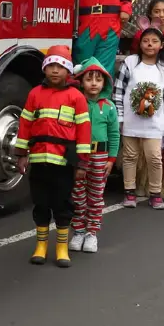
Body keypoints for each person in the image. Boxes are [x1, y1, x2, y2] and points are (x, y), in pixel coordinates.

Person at [16, 46, 91, 268]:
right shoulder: (34, 94)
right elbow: (25, 124)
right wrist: (22, 154)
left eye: (60, 66)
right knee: (40, 203)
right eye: (51, 66)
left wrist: (81, 163)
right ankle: (41, 246)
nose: (55, 71)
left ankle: (61, 247)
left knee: (62, 204)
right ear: (45, 69)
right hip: (39, 160)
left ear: (68, 70)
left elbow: (84, 131)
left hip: (63, 163)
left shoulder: (76, 97)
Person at [114, 27, 164, 211]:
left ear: (161, 45)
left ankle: (155, 193)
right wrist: (120, 116)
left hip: (154, 122)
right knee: (130, 156)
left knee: (154, 157)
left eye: (154, 41)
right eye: (146, 40)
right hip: (130, 120)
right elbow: (119, 90)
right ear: (140, 44)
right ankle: (129, 192)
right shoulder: (130, 63)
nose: (150, 44)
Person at [68, 57, 119, 254]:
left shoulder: (109, 107)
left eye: (98, 79)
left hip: (100, 156)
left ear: (104, 82)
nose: (94, 83)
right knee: (77, 195)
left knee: (95, 197)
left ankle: (91, 233)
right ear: (81, 82)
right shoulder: (75, 104)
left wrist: (111, 159)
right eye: (89, 79)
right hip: (80, 157)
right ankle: (79, 231)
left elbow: (114, 134)